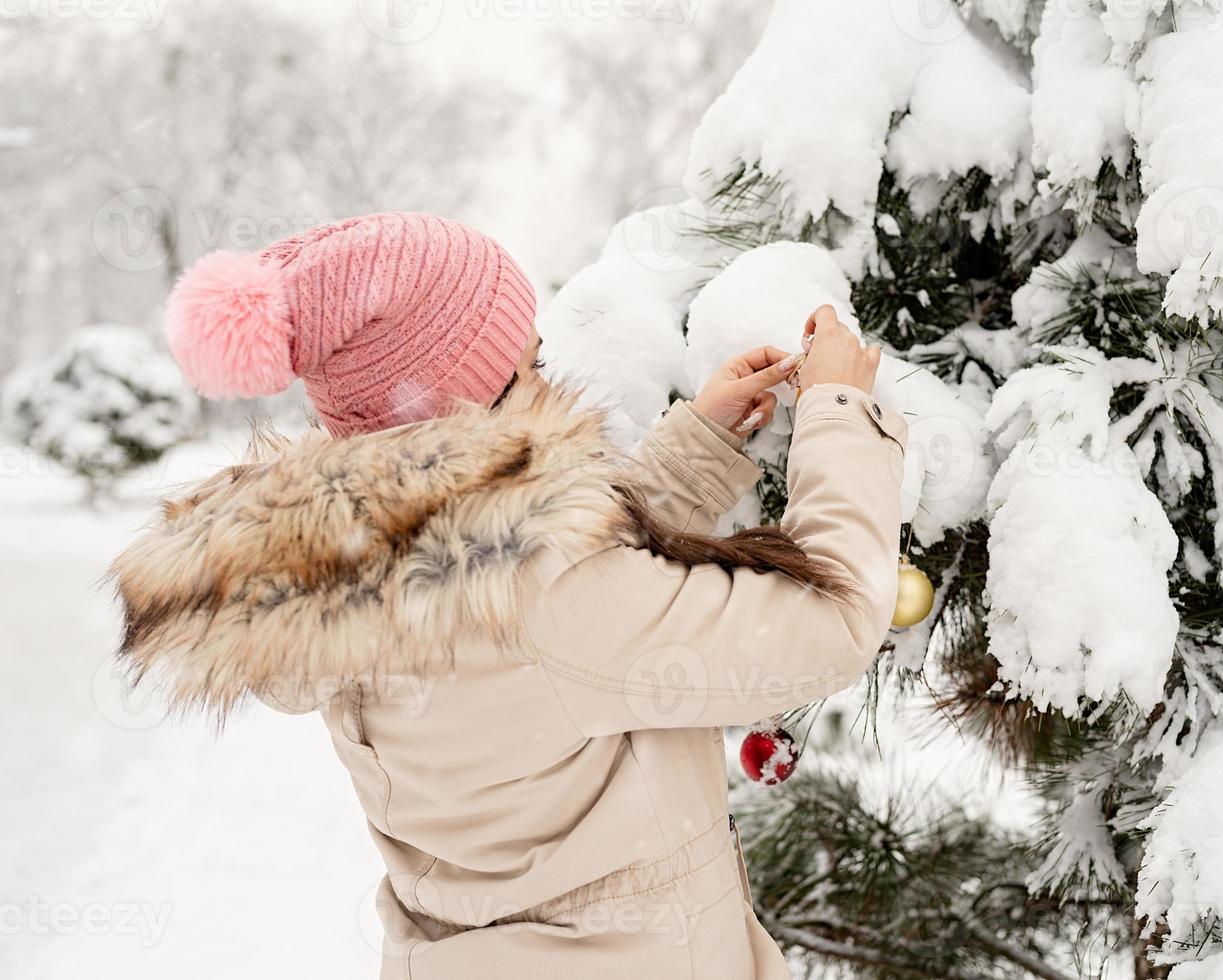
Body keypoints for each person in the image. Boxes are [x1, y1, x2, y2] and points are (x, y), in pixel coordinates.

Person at [111, 212, 907, 979]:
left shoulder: (352, 563)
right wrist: (842, 413)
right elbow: (831, 624)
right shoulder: (551, 597)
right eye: (526, 364)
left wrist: (698, 449)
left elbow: (526, 585)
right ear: (467, 402)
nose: (545, 378)